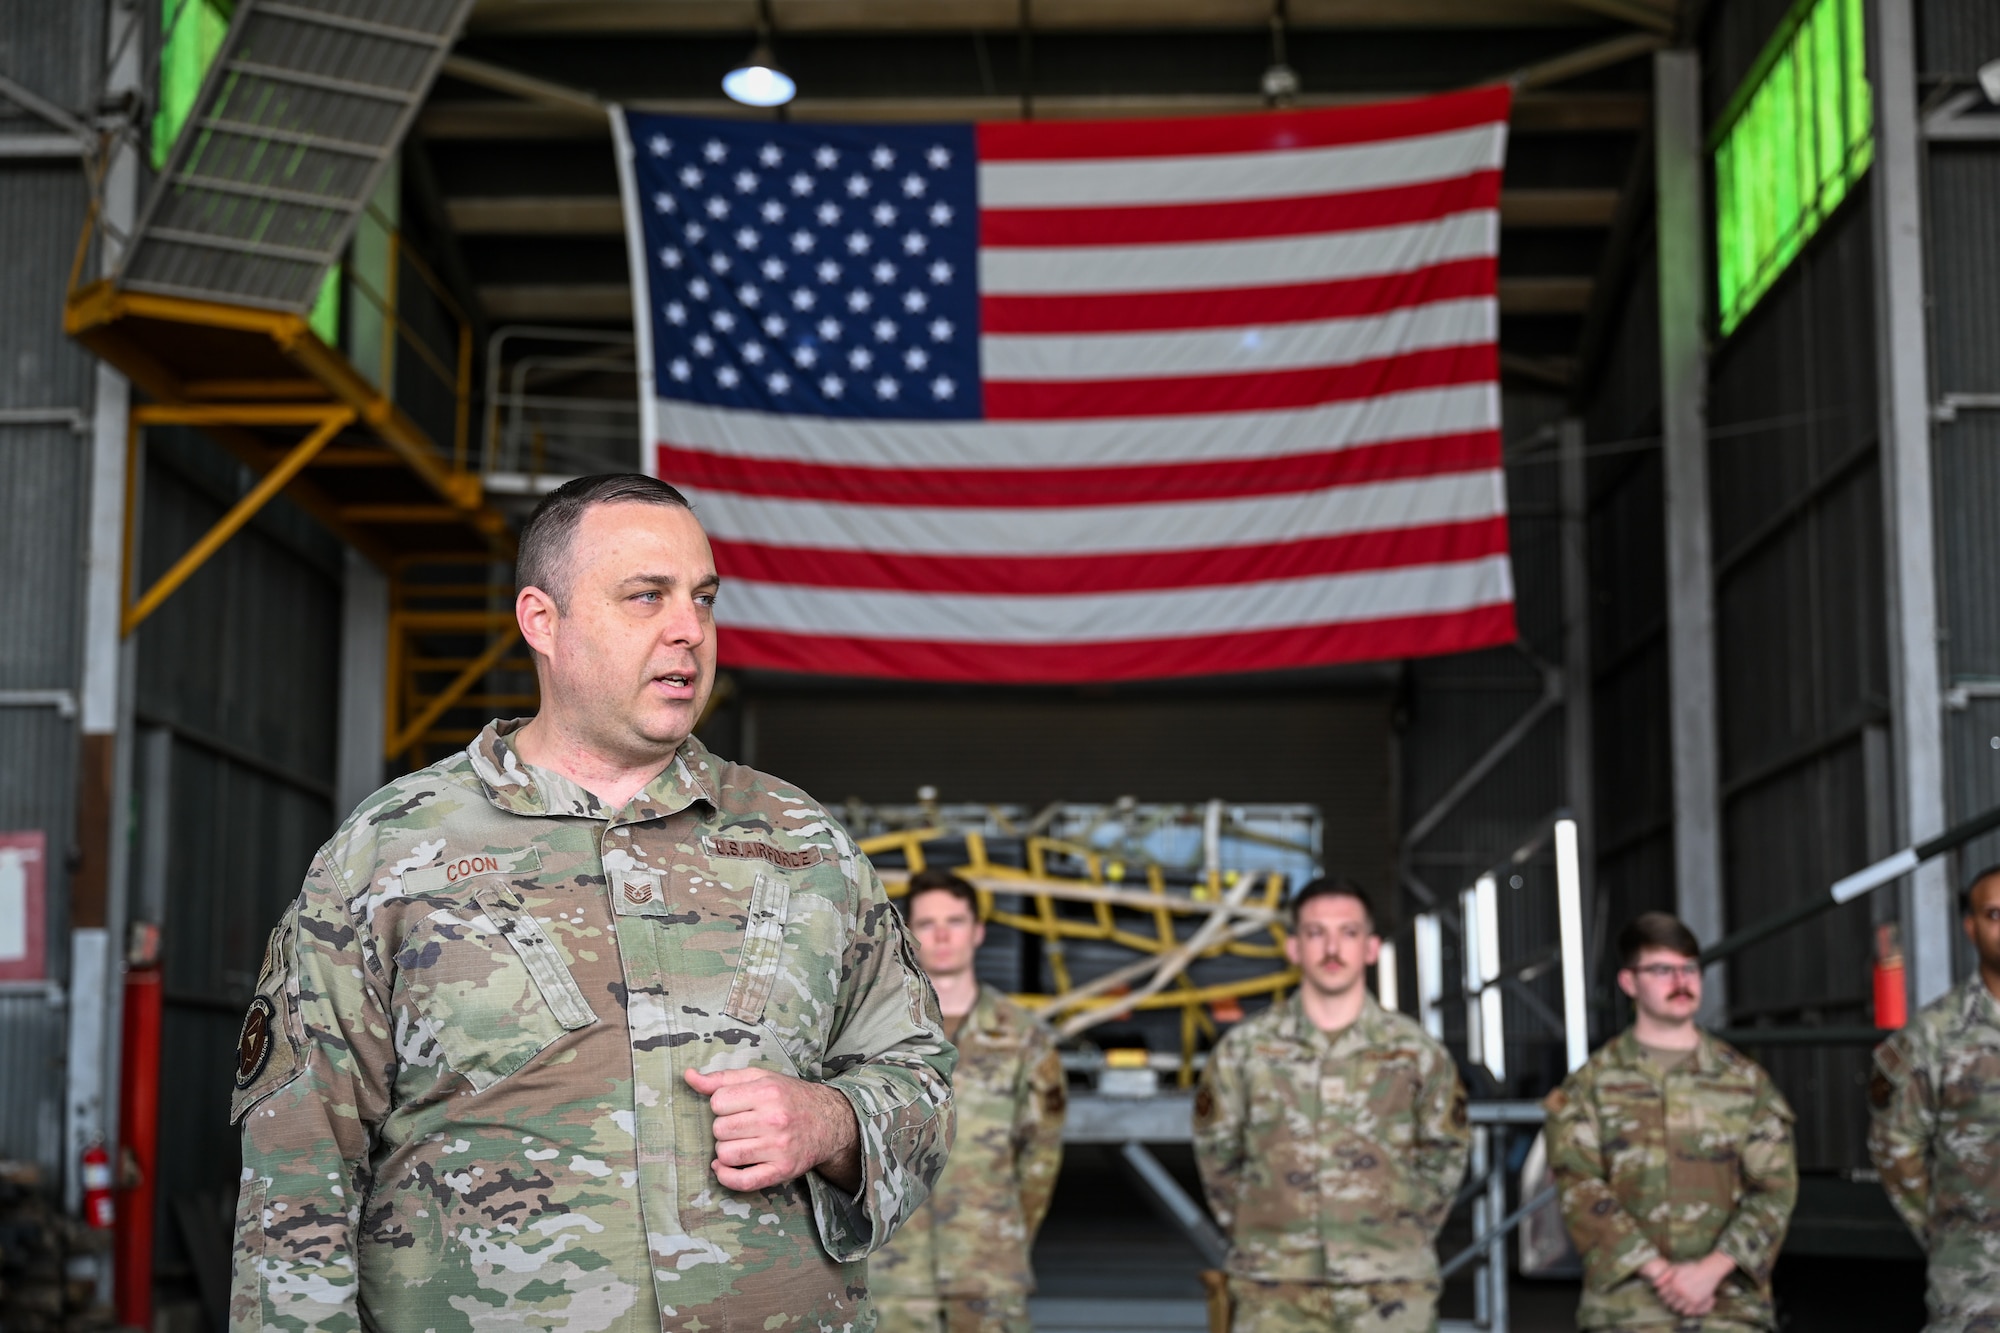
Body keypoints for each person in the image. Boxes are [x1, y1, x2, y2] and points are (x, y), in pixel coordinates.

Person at [226, 473, 957, 1333]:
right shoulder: (389, 852)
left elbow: (925, 1084)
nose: (689, 629)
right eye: (646, 596)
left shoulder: (802, 845)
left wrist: (832, 1120)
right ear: (544, 621)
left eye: (703, 598)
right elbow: (296, 1176)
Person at [1193, 878, 1468, 1333]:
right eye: (1316, 933)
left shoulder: (1418, 1054)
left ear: (1372, 948)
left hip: (1389, 1287)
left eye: (1349, 932)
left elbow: (1446, 1152)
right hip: (1275, 1288)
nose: (1333, 947)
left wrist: (1400, 1235)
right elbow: (1217, 1156)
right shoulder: (1244, 1051)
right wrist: (1265, 1234)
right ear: (1294, 948)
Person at [1544, 912, 1796, 1331]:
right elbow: (1579, 1188)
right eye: (1662, 969)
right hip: (1628, 1312)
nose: (1681, 981)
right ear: (1629, 983)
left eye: (1690, 968)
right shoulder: (1590, 1086)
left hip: (1728, 1308)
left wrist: (1710, 1271)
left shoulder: (1746, 1082)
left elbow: (1775, 1190)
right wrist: (1661, 1274)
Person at [871, 868, 1066, 1333]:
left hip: (987, 1273)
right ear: (907, 933)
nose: (941, 935)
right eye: (927, 922)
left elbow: (1040, 1161)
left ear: (978, 932)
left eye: (955, 921)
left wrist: (1000, 1236)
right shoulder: (869, 1033)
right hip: (891, 1276)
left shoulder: (1024, 1039)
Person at [1869, 864, 2000, 1333]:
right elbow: (1894, 1147)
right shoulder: (1932, 1036)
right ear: (1971, 927)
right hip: (1976, 1292)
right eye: (1995, 915)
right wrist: (1950, 1229)